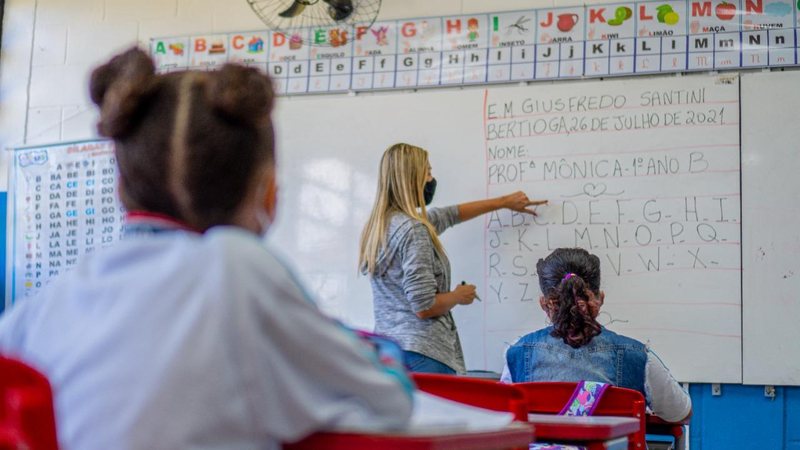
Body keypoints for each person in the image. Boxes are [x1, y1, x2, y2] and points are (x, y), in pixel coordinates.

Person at [0, 48, 413, 450]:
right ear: (269, 195)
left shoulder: (42, 307)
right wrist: (364, 343)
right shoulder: (235, 265)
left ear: (121, 190)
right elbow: (388, 398)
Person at [359, 143, 547, 375]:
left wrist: (502, 202)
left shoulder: (381, 227)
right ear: (412, 179)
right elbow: (423, 306)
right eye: (427, 172)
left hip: (390, 352)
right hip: (423, 355)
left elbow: (450, 214)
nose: (431, 179)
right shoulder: (414, 229)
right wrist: (459, 296)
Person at [501, 248, 692, 423]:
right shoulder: (637, 356)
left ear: (544, 304)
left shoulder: (517, 353)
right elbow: (681, 414)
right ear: (600, 298)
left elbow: (504, 417)